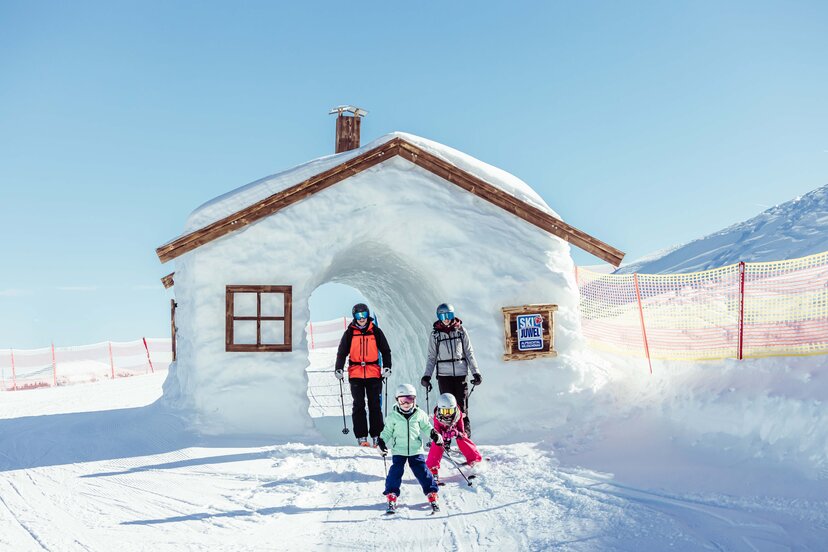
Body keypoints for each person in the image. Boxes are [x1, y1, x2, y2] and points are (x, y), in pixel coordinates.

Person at [335, 303, 392, 447]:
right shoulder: (350, 333)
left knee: (374, 405)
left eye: (364, 315)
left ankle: (377, 436)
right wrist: (339, 368)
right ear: (354, 317)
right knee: (358, 405)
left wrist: (387, 367)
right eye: (358, 316)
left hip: (373, 373)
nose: (361, 319)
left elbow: (385, 350)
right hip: (356, 374)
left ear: (368, 315)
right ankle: (361, 437)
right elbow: (342, 352)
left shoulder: (376, 332)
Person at [377, 383, 440, 513]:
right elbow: (387, 431)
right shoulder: (393, 416)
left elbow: (426, 427)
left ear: (414, 400)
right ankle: (392, 493)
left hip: (415, 450)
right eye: (402, 400)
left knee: (422, 471)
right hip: (399, 450)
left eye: (409, 400)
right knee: (396, 471)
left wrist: (434, 434)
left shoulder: (419, 414)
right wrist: (381, 442)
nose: (406, 404)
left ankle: (431, 492)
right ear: (397, 401)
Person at [420, 303, 482, 436]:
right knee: (445, 408)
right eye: (443, 316)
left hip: (460, 374)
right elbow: (432, 357)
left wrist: (476, 372)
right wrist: (427, 376)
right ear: (439, 317)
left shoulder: (461, 331)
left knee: (462, 407)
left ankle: (465, 437)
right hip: (444, 375)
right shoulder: (435, 335)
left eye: (448, 315)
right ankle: (444, 438)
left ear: (453, 315)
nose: (446, 318)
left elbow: (469, 353)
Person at [425, 393, 482, 482]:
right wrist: (442, 437)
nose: (447, 414)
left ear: (455, 409)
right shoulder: (437, 417)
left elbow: (461, 431)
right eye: (444, 411)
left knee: (462, 439)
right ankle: (432, 467)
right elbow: (436, 431)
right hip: (442, 433)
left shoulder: (458, 415)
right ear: (440, 410)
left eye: (450, 411)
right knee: (437, 443)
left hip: (454, 430)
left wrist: (457, 433)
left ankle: (474, 459)